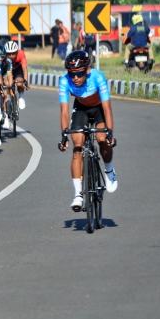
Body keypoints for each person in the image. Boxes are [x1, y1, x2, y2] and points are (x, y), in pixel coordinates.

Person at [57, 51, 118, 212]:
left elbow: (107, 108)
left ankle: (109, 169)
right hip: (81, 108)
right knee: (77, 147)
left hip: (99, 108)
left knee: (102, 138)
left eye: (79, 74)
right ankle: (78, 194)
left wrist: (110, 132)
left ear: (88, 70)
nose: (75, 78)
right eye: (72, 74)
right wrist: (64, 135)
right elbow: (64, 111)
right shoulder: (64, 82)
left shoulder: (98, 77)